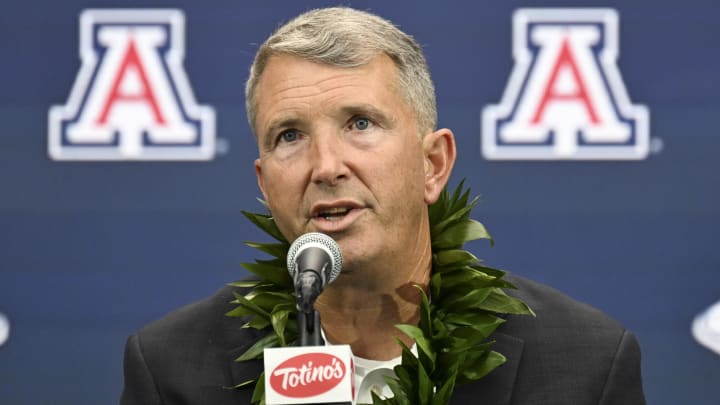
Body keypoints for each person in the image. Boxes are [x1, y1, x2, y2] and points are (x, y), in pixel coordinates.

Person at [121, 7, 645, 404]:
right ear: (264, 184)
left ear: (433, 164)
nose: (325, 166)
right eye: (289, 135)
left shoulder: (584, 366)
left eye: (361, 124)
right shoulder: (173, 370)